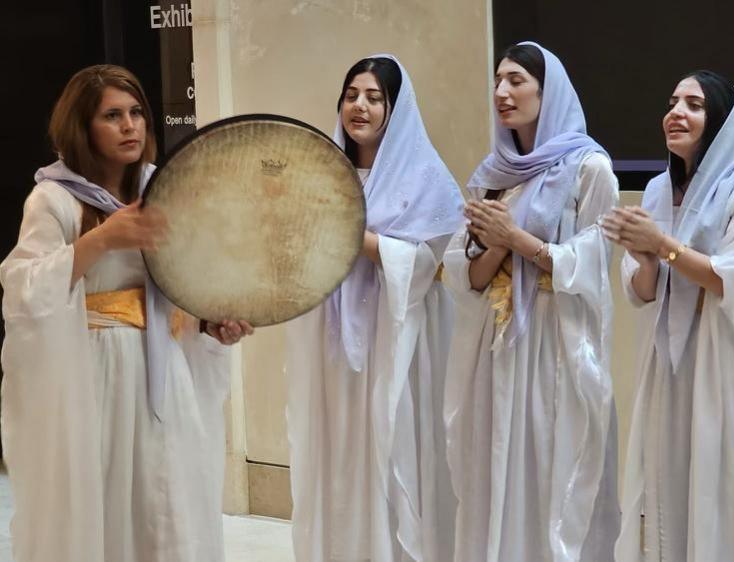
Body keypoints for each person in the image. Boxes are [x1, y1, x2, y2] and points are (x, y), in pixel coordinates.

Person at [0, 64, 250, 562]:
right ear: (83, 127)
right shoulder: (54, 198)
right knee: (105, 499)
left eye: (136, 113)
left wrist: (209, 322)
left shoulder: (165, 189)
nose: (130, 125)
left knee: (168, 497)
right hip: (96, 374)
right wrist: (100, 239)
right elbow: (23, 288)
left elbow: (188, 279)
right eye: (112, 115)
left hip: (163, 372)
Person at [443, 42, 620, 562]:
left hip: (554, 344)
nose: (502, 92)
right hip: (494, 345)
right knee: (493, 468)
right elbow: (466, 272)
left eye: (517, 80)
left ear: (549, 91)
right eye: (498, 80)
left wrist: (516, 240)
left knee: (551, 466)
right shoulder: (494, 174)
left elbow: (594, 261)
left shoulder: (590, 170)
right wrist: (500, 241)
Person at [285, 55, 465, 562]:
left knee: (389, 452)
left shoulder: (425, 176)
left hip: (396, 339)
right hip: (332, 340)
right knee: (336, 451)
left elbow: (432, 265)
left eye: (373, 97)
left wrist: (357, 240)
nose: (359, 106)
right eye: (351, 95)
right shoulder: (322, 172)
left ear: (395, 106)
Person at [602, 70, 734, 562]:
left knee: (725, 489)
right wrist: (643, 259)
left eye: (695, 105)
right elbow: (641, 292)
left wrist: (660, 246)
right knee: (666, 480)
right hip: (668, 360)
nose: (676, 112)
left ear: (722, 123)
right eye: (672, 101)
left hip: (726, 356)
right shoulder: (659, 189)